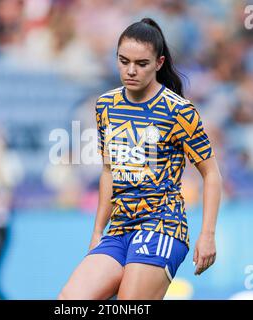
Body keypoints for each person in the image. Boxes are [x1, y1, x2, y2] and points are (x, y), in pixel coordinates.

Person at [58, 17, 222, 300]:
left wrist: (207, 234)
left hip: (162, 226)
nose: (130, 70)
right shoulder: (106, 105)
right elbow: (109, 171)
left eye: (141, 64)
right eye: (123, 61)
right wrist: (97, 231)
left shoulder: (178, 111)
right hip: (120, 229)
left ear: (158, 63)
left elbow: (211, 174)